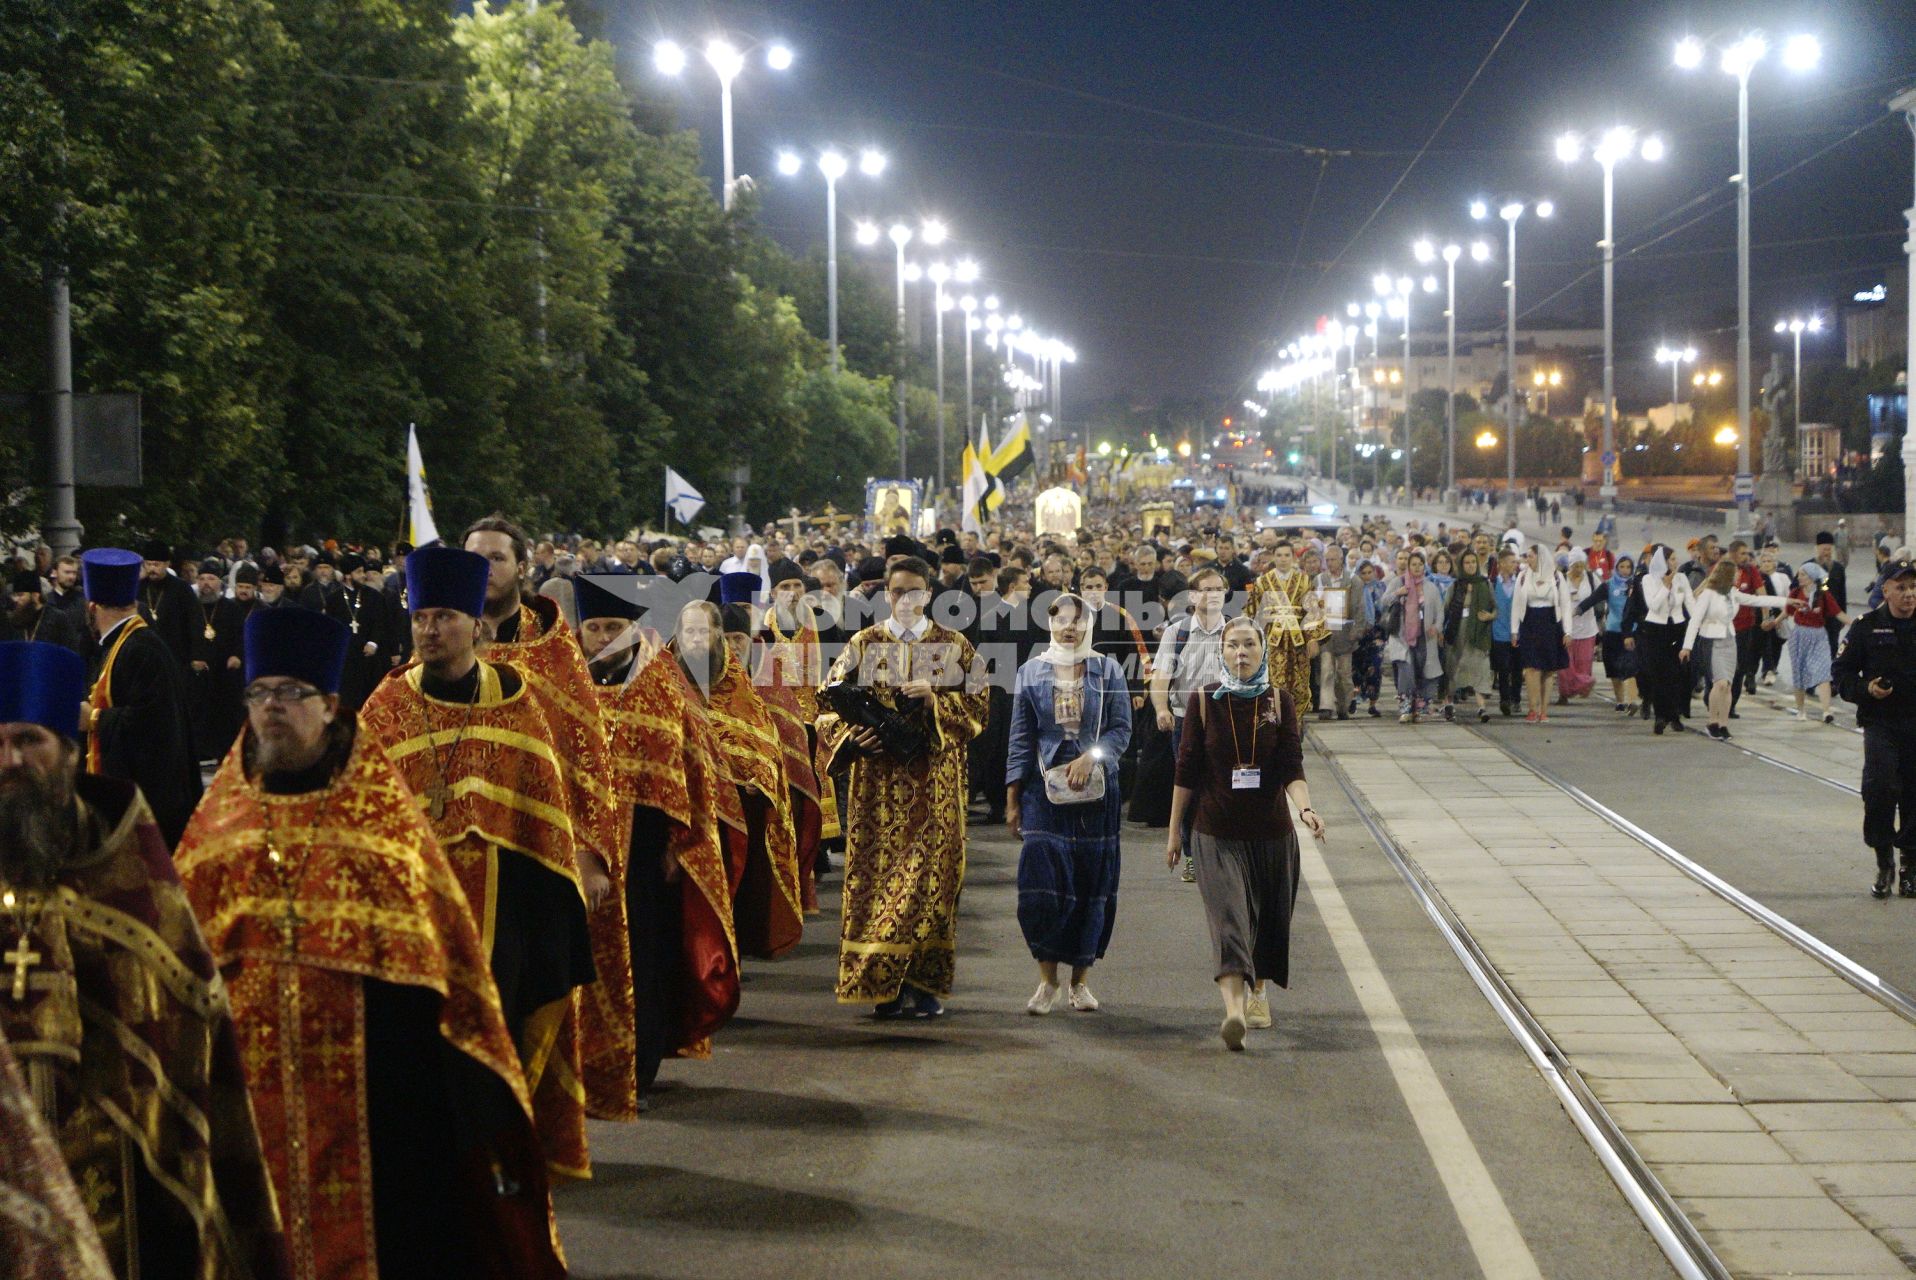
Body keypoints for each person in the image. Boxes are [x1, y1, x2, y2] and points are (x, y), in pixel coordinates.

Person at [175, 609, 563, 1279]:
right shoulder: (219, 827)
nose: (272, 709)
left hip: (378, 1100)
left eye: (291, 694)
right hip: (247, 1099)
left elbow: (442, 962)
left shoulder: (382, 820)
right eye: (260, 693)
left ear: (328, 706)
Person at [0, 642, 288, 1277]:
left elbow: (191, 1037)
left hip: (122, 1181)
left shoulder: (132, 877)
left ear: (70, 753)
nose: (9, 762)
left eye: (29, 742)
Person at [359, 546, 601, 1181]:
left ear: (476, 625)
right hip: (415, 917)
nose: (430, 630)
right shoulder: (382, 709)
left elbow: (543, 816)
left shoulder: (516, 704)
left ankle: (500, 1164)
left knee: (496, 1044)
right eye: (421, 618)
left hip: (505, 911)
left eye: (444, 617)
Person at [576, 581, 740, 1105]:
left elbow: (694, 763)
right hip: (573, 849)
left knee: (639, 962)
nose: (603, 637)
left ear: (632, 631)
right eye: (594, 628)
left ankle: (633, 1073)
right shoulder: (562, 688)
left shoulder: (659, 683)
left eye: (612, 628)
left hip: (643, 851)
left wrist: (678, 842)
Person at [816, 557, 988, 1019]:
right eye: (898, 592)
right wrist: (851, 736)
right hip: (878, 791)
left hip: (936, 787)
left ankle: (924, 983)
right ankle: (882, 985)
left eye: (916, 591)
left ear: (930, 594)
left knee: (934, 885)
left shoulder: (954, 645)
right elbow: (825, 703)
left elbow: (979, 709)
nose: (906, 600)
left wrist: (935, 701)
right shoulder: (863, 643)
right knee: (879, 885)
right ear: (886, 595)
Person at [1165, 617, 1326, 1050]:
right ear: (1222, 651)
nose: (1241, 653)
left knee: (1267, 923)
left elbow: (1291, 765)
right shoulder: (1202, 701)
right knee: (1230, 920)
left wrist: (1306, 808)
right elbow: (1185, 771)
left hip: (1272, 834)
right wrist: (1174, 833)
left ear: (1262, 651)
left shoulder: (1279, 700)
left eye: (1249, 645)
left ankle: (1259, 993)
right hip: (1215, 831)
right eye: (1233, 645)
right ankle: (1234, 1011)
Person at [1006, 592, 1132, 1015]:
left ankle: (1080, 982)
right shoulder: (1030, 671)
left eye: (1078, 621)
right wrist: (1012, 798)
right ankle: (1047, 981)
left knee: (1089, 885)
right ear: (1050, 623)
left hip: (1097, 791)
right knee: (1040, 884)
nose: (1070, 628)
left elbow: (1120, 729)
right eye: (1062, 620)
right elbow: (1021, 737)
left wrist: (1090, 757)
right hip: (1043, 791)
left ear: (1089, 625)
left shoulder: (1107, 668)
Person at [73, 547, 203, 845]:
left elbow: (153, 726)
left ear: (92, 608)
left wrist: (93, 719)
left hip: (148, 807)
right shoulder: (123, 643)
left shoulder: (140, 649)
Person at [707, 593, 806, 959]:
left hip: (748, 799)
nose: (733, 647)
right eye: (726, 639)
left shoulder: (761, 676)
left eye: (740, 639)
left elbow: (771, 737)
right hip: (708, 800)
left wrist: (761, 778)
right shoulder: (692, 676)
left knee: (747, 878)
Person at [1834, 556, 1916, 898]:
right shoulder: (1865, 627)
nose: (1909, 594)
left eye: (1913, 587)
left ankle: (1909, 866)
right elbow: (1842, 675)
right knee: (1881, 790)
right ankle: (1884, 860)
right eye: (1901, 587)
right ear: (1886, 590)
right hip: (1881, 723)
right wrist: (1866, 689)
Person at [1149, 564, 1229, 875]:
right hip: (1185, 722)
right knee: (1189, 788)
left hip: (1225, 721)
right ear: (1193, 596)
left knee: (1224, 787)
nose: (1213, 595)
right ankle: (1193, 853)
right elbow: (1161, 678)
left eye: (1218, 589)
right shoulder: (1177, 633)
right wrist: (1161, 708)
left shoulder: (1236, 632)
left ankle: (1223, 851)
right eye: (1206, 590)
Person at [1680, 559, 1789, 741]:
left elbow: (1757, 599)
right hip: (1712, 640)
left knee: (1728, 684)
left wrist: (1788, 600)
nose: (1739, 576)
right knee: (1719, 683)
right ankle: (1712, 722)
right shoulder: (1708, 594)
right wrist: (1687, 647)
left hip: (1730, 640)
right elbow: (1695, 621)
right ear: (1727, 575)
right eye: (1736, 573)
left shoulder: (1732, 593)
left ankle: (1723, 724)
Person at [1246, 542, 1326, 711]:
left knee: (1299, 684)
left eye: (1287, 555)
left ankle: (1296, 726)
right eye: (1279, 555)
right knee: (1273, 684)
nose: (1283, 559)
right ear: (1274, 557)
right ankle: (1274, 726)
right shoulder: (1262, 582)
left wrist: (1312, 639)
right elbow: (1251, 612)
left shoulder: (1303, 581)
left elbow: (1312, 611)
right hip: (1272, 641)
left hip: (1298, 641)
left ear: (1293, 557)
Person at [1377, 549, 1444, 723]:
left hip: (1425, 638)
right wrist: (1397, 594)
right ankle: (1405, 707)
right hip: (1401, 636)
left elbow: (1439, 611)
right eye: (1413, 564)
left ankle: (1419, 707)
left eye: (1419, 564)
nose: (1416, 567)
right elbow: (1383, 601)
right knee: (1406, 671)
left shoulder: (1430, 587)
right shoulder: (1398, 582)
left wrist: (1436, 627)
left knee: (1424, 671)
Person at [1512, 547, 1572, 722]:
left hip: (1550, 624)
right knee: (1531, 668)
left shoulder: (1556, 577)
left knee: (1547, 670)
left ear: (1540, 557)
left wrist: (1568, 631)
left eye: (1530, 556)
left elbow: (1565, 604)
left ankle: (1544, 710)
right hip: (1529, 622)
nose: (1527, 560)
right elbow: (1516, 604)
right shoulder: (1523, 577)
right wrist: (1514, 630)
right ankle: (1533, 708)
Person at [1784, 561, 1848, 723]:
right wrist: (1773, 622)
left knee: (1824, 673)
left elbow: (1838, 613)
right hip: (1799, 636)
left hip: (1819, 636)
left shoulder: (1823, 594)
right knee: (1799, 674)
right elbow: (1787, 612)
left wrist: (1858, 623)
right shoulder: (1795, 592)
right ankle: (1801, 710)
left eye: (1803, 574)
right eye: (1799, 574)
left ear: (1812, 577)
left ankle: (1826, 711)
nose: (1799, 577)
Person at [1443, 548, 1496, 723]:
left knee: (1481, 667)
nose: (1471, 565)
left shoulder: (1485, 584)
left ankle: (1482, 707)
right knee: (1454, 667)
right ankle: (1449, 703)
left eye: (1473, 562)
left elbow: (1495, 608)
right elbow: (1446, 609)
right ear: (1461, 565)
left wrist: (1490, 616)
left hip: (1479, 633)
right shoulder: (1455, 585)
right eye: (1467, 562)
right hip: (1458, 631)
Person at [134, 540, 198, 669]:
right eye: (148, 564)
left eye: (156, 564)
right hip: (143, 654)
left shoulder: (181, 588)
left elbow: (194, 622)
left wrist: (196, 655)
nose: (152, 569)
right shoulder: (138, 588)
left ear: (167, 564)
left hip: (174, 654)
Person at [2, 569, 88, 657]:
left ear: (35, 595)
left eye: (20, 595)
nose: (15, 600)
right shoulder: (16, 621)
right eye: (14, 595)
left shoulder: (57, 618)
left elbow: (71, 654)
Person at [1595, 555, 1640, 714]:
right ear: (1616, 568)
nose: (1625, 570)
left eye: (1628, 567)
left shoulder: (1637, 585)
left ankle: (1632, 700)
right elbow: (1591, 600)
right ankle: (1620, 701)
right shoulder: (1608, 585)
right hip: (1612, 631)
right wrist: (1577, 611)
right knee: (1613, 669)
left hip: (1631, 632)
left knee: (1630, 667)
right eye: (1622, 567)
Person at [1560, 558, 1599, 702]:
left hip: (1587, 628)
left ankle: (1579, 687)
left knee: (1584, 663)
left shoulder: (1591, 578)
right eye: (1576, 566)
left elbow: (1599, 595)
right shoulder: (1562, 579)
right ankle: (1566, 692)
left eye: (1582, 566)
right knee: (1565, 665)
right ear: (1570, 566)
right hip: (1566, 628)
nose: (1579, 569)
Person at [1489, 548, 1522, 716]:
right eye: (1511, 562)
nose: (1515, 565)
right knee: (1502, 668)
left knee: (1517, 667)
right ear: (1501, 564)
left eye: (1516, 562)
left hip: (1518, 633)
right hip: (1499, 632)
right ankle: (1505, 699)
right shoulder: (1492, 584)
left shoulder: (1521, 583)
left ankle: (1516, 698)